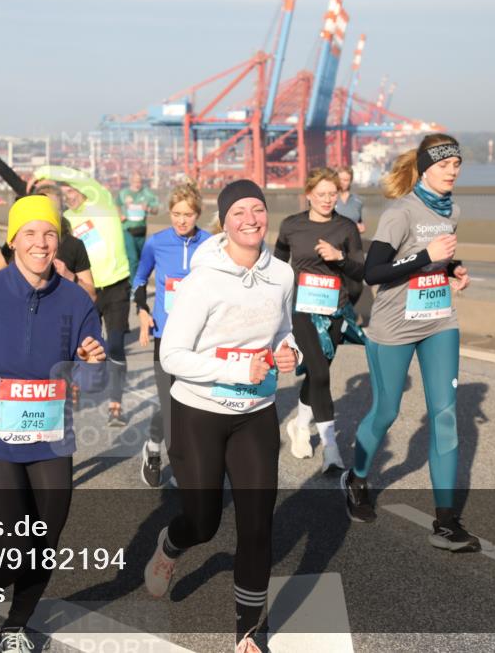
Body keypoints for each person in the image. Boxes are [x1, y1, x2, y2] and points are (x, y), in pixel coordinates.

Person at [0, 195, 105, 653]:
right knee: (11, 538)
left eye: (49, 233)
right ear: (12, 241)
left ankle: (16, 626)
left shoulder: (75, 301)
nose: (40, 242)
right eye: (29, 233)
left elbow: (92, 376)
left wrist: (91, 362)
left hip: (50, 437)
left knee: (43, 541)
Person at [144, 180, 300, 653]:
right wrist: (236, 366)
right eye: (239, 212)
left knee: (257, 525)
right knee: (205, 522)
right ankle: (172, 544)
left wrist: (288, 352)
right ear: (225, 221)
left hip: (256, 412)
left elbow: (285, 330)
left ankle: (247, 635)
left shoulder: (283, 275)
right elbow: (172, 355)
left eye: (258, 209)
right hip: (199, 413)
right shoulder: (204, 279)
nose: (251, 219)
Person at [341, 134, 478, 553]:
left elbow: (436, 254)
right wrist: (426, 256)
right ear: (424, 167)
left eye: (457, 162)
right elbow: (374, 271)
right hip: (395, 326)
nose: (453, 169)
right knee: (386, 410)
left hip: (439, 320)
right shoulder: (400, 212)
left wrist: (452, 267)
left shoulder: (452, 210)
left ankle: (446, 522)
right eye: (445, 163)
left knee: (445, 415)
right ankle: (358, 480)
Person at [274, 168, 365, 473]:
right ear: (308, 194)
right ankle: (332, 450)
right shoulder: (291, 226)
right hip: (301, 310)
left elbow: (359, 273)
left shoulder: (346, 227)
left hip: (334, 312)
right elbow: (277, 267)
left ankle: (300, 424)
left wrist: (339, 257)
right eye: (321, 194)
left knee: (317, 373)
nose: (327, 200)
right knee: (321, 375)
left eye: (332, 194)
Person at [32, 164, 131, 426]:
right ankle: (74, 384)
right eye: (64, 191)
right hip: (85, 291)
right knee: (80, 346)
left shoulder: (102, 203)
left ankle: (115, 406)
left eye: (71, 188)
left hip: (116, 286)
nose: (70, 193)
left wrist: (44, 171)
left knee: (116, 346)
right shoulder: (66, 222)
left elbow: (80, 177)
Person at [132, 182, 211, 487]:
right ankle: (154, 448)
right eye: (176, 214)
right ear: (169, 213)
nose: (181, 220)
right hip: (165, 334)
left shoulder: (210, 243)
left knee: (190, 402)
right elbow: (139, 279)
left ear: (197, 214)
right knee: (169, 401)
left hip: (199, 335)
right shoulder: (156, 242)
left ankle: (182, 460)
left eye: (188, 214)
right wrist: (141, 310)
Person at [117, 171, 160, 278]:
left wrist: (148, 208)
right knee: (133, 259)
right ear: (130, 181)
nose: (138, 184)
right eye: (135, 181)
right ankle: (133, 286)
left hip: (141, 229)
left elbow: (156, 210)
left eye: (140, 181)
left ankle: (139, 282)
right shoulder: (124, 193)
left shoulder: (147, 193)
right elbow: (116, 205)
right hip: (127, 229)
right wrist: (120, 215)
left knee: (140, 259)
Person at [334, 165, 366, 308]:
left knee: (356, 286)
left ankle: (348, 311)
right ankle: (340, 315)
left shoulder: (358, 201)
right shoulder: (331, 198)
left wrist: (361, 226)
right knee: (337, 283)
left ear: (350, 181)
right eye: (340, 179)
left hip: (353, 247)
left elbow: (359, 221)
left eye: (346, 180)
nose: (343, 182)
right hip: (334, 246)